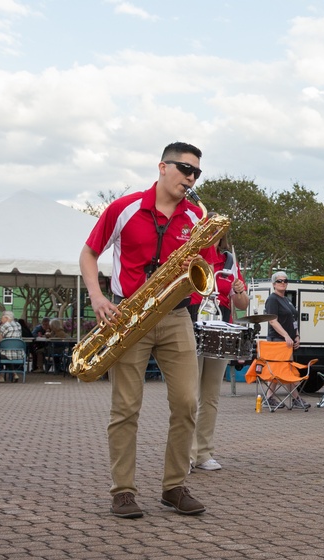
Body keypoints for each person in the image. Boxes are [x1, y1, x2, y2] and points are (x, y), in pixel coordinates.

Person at [79, 141, 218, 519]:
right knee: (125, 407)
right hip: (129, 315)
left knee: (188, 403)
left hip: (175, 316)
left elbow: (204, 269)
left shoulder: (194, 217)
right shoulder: (123, 208)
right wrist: (96, 297)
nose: (190, 178)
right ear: (162, 167)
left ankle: (173, 487)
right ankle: (123, 491)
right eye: (184, 169)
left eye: (196, 173)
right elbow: (89, 253)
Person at [189, 234, 249, 472]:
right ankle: (186, 453)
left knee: (211, 396)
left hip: (219, 329)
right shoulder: (191, 255)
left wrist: (240, 290)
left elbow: (242, 303)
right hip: (192, 324)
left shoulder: (229, 261)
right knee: (189, 396)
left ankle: (204, 453)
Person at [263, 270, 304, 405]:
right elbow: (272, 320)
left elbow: (293, 318)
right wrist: (286, 335)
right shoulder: (272, 299)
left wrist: (296, 334)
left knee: (281, 370)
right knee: (285, 370)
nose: (283, 283)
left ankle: (269, 398)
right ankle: (296, 399)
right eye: (279, 281)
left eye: (285, 281)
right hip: (278, 340)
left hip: (289, 341)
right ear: (274, 284)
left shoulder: (286, 299)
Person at [0, 311, 25, 382]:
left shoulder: (4, 326)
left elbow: (0, 341)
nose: (1, 320)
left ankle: (0, 376)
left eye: (2, 318)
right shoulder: (18, 325)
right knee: (5, 355)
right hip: (19, 353)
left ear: (6, 318)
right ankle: (14, 373)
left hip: (7, 353)